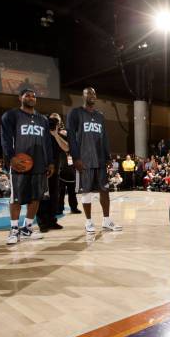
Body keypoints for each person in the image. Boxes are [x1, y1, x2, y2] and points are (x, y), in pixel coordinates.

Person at [0, 89, 54, 244]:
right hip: (20, 163)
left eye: (33, 96)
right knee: (16, 198)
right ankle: (14, 230)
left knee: (36, 197)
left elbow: (47, 143)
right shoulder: (10, 115)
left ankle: (27, 228)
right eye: (27, 95)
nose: (31, 98)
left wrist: (50, 161)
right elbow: (5, 139)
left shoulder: (42, 119)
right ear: (20, 98)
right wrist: (11, 158)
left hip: (39, 163)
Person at [67, 87, 122, 233]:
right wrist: (76, 157)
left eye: (94, 93)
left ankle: (106, 220)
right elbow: (71, 136)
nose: (92, 95)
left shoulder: (100, 116)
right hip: (84, 160)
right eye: (89, 93)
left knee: (105, 190)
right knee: (86, 192)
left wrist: (107, 156)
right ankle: (89, 222)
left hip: (100, 159)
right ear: (83, 95)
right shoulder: (76, 113)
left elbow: (104, 137)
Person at [36, 113, 69, 232]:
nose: (54, 122)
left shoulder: (61, 135)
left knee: (54, 197)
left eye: (56, 120)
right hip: (42, 169)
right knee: (42, 196)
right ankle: (42, 223)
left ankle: (51, 221)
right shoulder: (42, 133)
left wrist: (55, 135)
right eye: (52, 120)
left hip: (56, 170)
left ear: (59, 123)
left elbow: (66, 148)